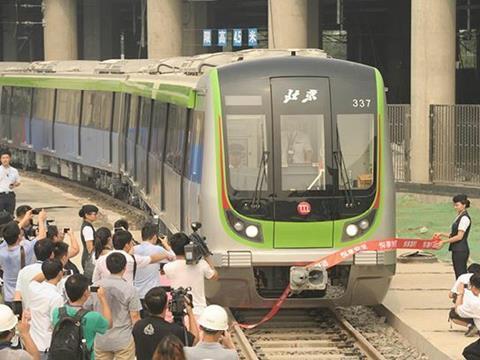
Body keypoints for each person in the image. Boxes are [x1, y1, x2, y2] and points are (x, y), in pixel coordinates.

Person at [91, 252, 141, 360]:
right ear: (125, 267)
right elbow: (135, 317)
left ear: (108, 267)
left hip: (101, 338)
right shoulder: (130, 289)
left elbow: (89, 310)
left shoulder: (95, 287)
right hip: (123, 339)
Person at [52, 274, 112, 360]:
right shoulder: (93, 317)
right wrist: (102, 298)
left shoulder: (57, 312)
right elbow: (109, 324)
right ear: (85, 293)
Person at [133, 287, 198, 360]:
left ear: (146, 305)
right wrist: (190, 313)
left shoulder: (138, 326)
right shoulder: (174, 331)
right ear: (166, 305)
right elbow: (194, 341)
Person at [164, 233, 218, 317]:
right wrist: (207, 256)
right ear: (188, 247)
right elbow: (215, 277)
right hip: (199, 311)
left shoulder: (167, 267)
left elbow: (177, 260)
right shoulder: (201, 264)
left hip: (179, 311)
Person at [92, 230, 172, 284]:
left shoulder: (101, 259)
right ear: (127, 245)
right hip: (125, 298)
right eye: (131, 242)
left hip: (106, 298)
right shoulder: (131, 259)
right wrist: (165, 254)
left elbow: (95, 280)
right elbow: (151, 258)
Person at [28, 259, 64, 358]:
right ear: (60, 273)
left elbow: (34, 279)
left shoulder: (33, 287)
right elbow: (56, 323)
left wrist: (47, 272)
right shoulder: (56, 297)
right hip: (47, 345)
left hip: (32, 342)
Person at [133, 222, 175, 308]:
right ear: (155, 237)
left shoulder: (134, 249)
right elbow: (174, 258)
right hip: (152, 294)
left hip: (136, 293)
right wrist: (165, 244)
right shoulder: (158, 249)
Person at [0, 221, 39, 306]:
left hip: (8, 296)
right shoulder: (26, 249)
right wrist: (41, 219)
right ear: (19, 236)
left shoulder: (1, 251)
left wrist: (23, 220)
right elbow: (42, 236)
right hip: (23, 294)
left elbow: (8, 237)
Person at [434, 194, 472, 279]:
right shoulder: (459, 216)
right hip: (457, 250)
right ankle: (460, 291)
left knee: (461, 275)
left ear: (464, 205)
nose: (455, 207)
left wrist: (443, 242)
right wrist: (442, 234)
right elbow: (453, 235)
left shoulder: (464, 218)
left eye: (457, 205)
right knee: (458, 274)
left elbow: (459, 237)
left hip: (461, 250)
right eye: (454, 205)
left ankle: (463, 291)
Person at [14, 239, 55, 309]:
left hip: (27, 315)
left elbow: (17, 296)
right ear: (51, 254)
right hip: (46, 315)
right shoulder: (53, 272)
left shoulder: (23, 271)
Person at [0, 149, 21, 215]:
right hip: (0, 195)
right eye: (3, 158)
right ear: (0, 159)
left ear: (10, 159)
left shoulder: (14, 170)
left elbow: (18, 182)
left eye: (7, 158)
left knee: (10, 216)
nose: (5, 160)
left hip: (10, 195)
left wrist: (14, 185)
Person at [79, 204, 98, 273]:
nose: (96, 216)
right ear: (87, 215)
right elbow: (90, 247)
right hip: (89, 259)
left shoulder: (88, 226)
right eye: (94, 214)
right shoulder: (87, 228)